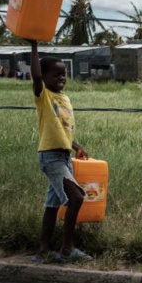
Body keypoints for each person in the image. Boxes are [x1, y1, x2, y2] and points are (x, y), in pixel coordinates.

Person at [28, 39, 93, 263]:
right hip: (50, 157)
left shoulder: (64, 98)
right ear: (44, 78)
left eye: (63, 74)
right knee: (76, 197)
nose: (61, 78)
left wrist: (76, 146)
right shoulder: (43, 95)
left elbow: (64, 129)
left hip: (64, 157)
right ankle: (67, 248)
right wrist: (34, 46)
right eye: (55, 75)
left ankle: (43, 250)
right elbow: (35, 76)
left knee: (52, 205)